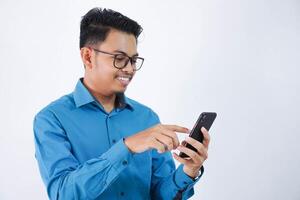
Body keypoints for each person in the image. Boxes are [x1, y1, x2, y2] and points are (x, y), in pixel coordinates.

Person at [33, 7, 210, 200]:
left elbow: (160, 195)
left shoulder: (147, 117)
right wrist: (127, 147)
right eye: (119, 59)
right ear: (88, 56)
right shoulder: (52, 119)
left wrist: (188, 170)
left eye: (133, 60)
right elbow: (63, 194)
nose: (129, 69)